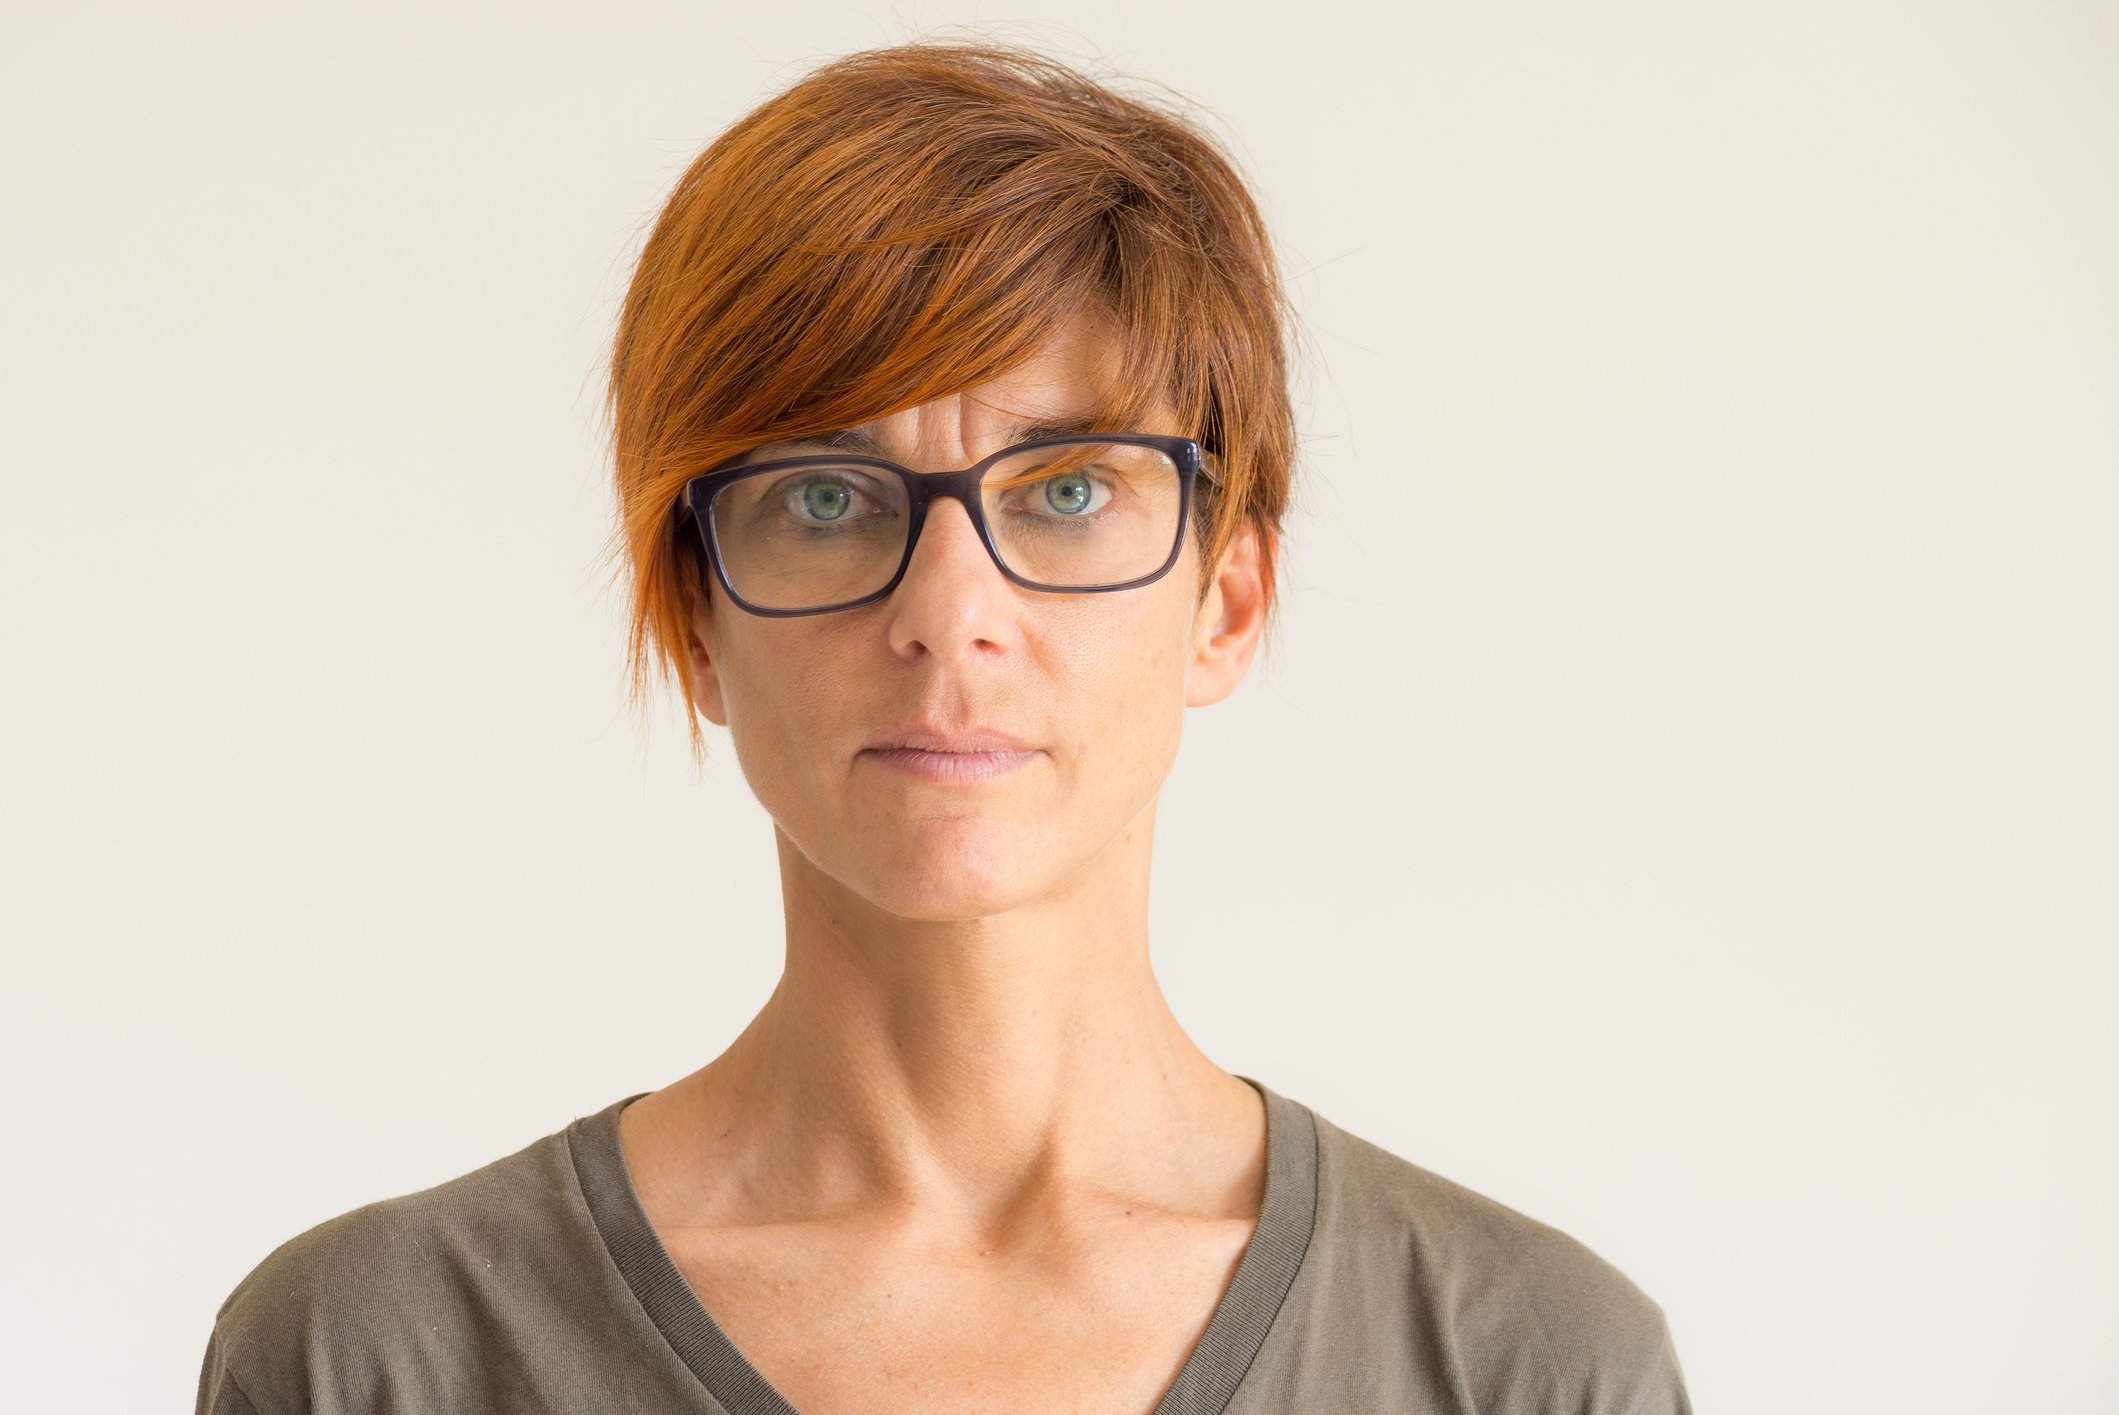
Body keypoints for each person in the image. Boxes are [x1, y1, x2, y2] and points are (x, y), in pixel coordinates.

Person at [195, 39, 1691, 1415]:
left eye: (1069, 490)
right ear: (696, 614)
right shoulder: (372, 1357)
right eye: (823, 498)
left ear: (1227, 601)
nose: (947, 614)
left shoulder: (1527, 1365)